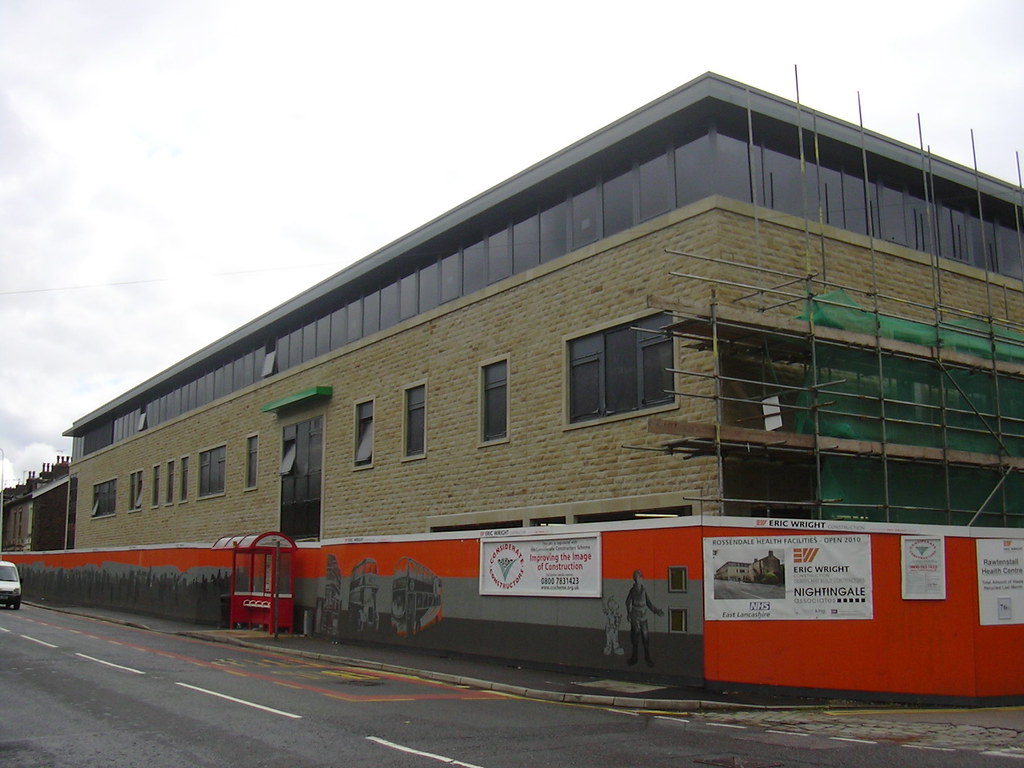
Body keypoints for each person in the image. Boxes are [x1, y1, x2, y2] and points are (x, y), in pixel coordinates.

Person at [625, 569, 663, 667]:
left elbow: (648, 603)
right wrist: (629, 614)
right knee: (635, 638)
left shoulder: (644, 590)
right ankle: (634, 658)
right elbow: (627, 602)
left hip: (643, 617)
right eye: (637, 578)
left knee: (646, 638)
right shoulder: (632, 590)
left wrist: (656, 611)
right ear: (635, 579)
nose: (639, 579)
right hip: (635, 616)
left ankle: (647, 658)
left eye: (640, 577)